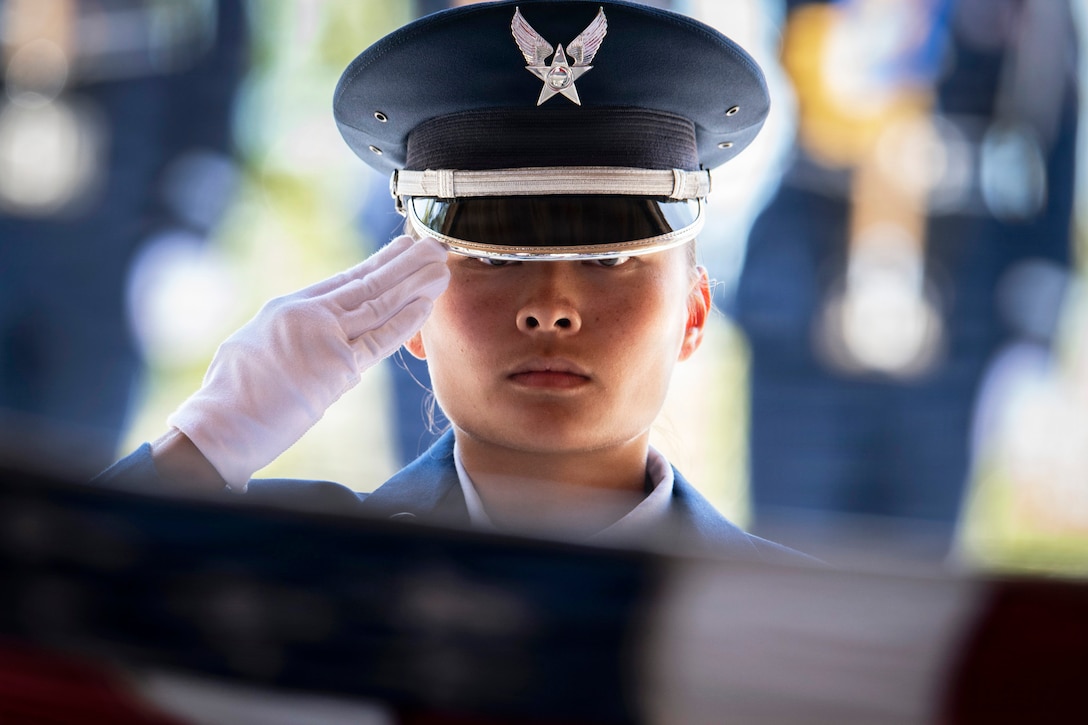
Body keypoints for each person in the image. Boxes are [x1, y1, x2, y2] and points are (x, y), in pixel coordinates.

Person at [96, 0, 808, 561]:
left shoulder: (798, 619)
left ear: (692, 313)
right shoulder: (305, 569)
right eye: (494, 256)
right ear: (410, 312)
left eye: (608, 258)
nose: (551, 308)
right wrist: (202, 448)